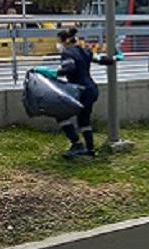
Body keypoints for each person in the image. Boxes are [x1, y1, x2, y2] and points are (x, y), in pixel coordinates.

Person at [32, 28, 119, 158]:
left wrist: (50, 72)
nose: (58, 45)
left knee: (61, 115)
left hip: (79, 91)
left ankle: (76, 144)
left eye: (59, 42)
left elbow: (69, 69)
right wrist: (115, 58)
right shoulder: (85, 51)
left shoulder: (67, 54)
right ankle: (90, 150)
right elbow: (101, 59)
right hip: (91, 90)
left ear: (64, 41)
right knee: (84, 120)